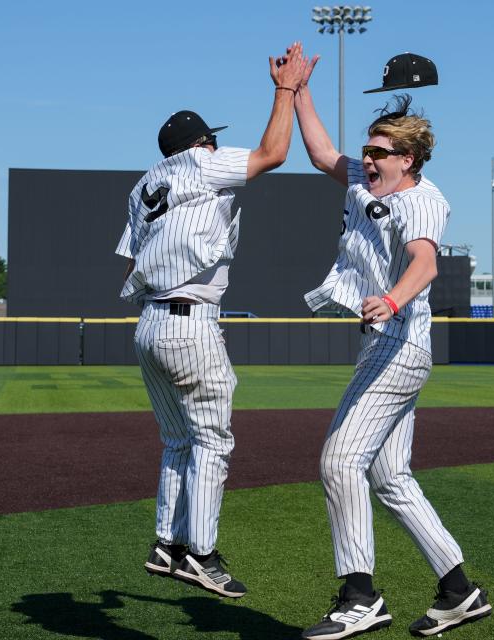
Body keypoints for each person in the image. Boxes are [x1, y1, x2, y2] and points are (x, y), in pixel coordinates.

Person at [292, 54, 492, 639]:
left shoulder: (421, 200)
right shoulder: (365, 178)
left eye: (380, 152)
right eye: (370, 150)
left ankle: (360, 597)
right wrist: (298, 91)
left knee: (339, 460)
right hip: (388, 343)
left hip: (400, 344)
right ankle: (459, 590)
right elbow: (323, 155)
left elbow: (425, 261)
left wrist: (395, 298)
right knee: (391, 477)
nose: (369, 159)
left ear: (409, 160)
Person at [114, 43, 307, 599]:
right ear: (199, 144)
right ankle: (200, 551)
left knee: (177, 440)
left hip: (148, 324)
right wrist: (285, 90)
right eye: (211, 138)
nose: (218, 144)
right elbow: (272, 153)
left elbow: (132, 257)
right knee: (213, 440)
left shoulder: (143, 186)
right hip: (189, 319)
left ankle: (166, 542)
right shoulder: (202, 164)